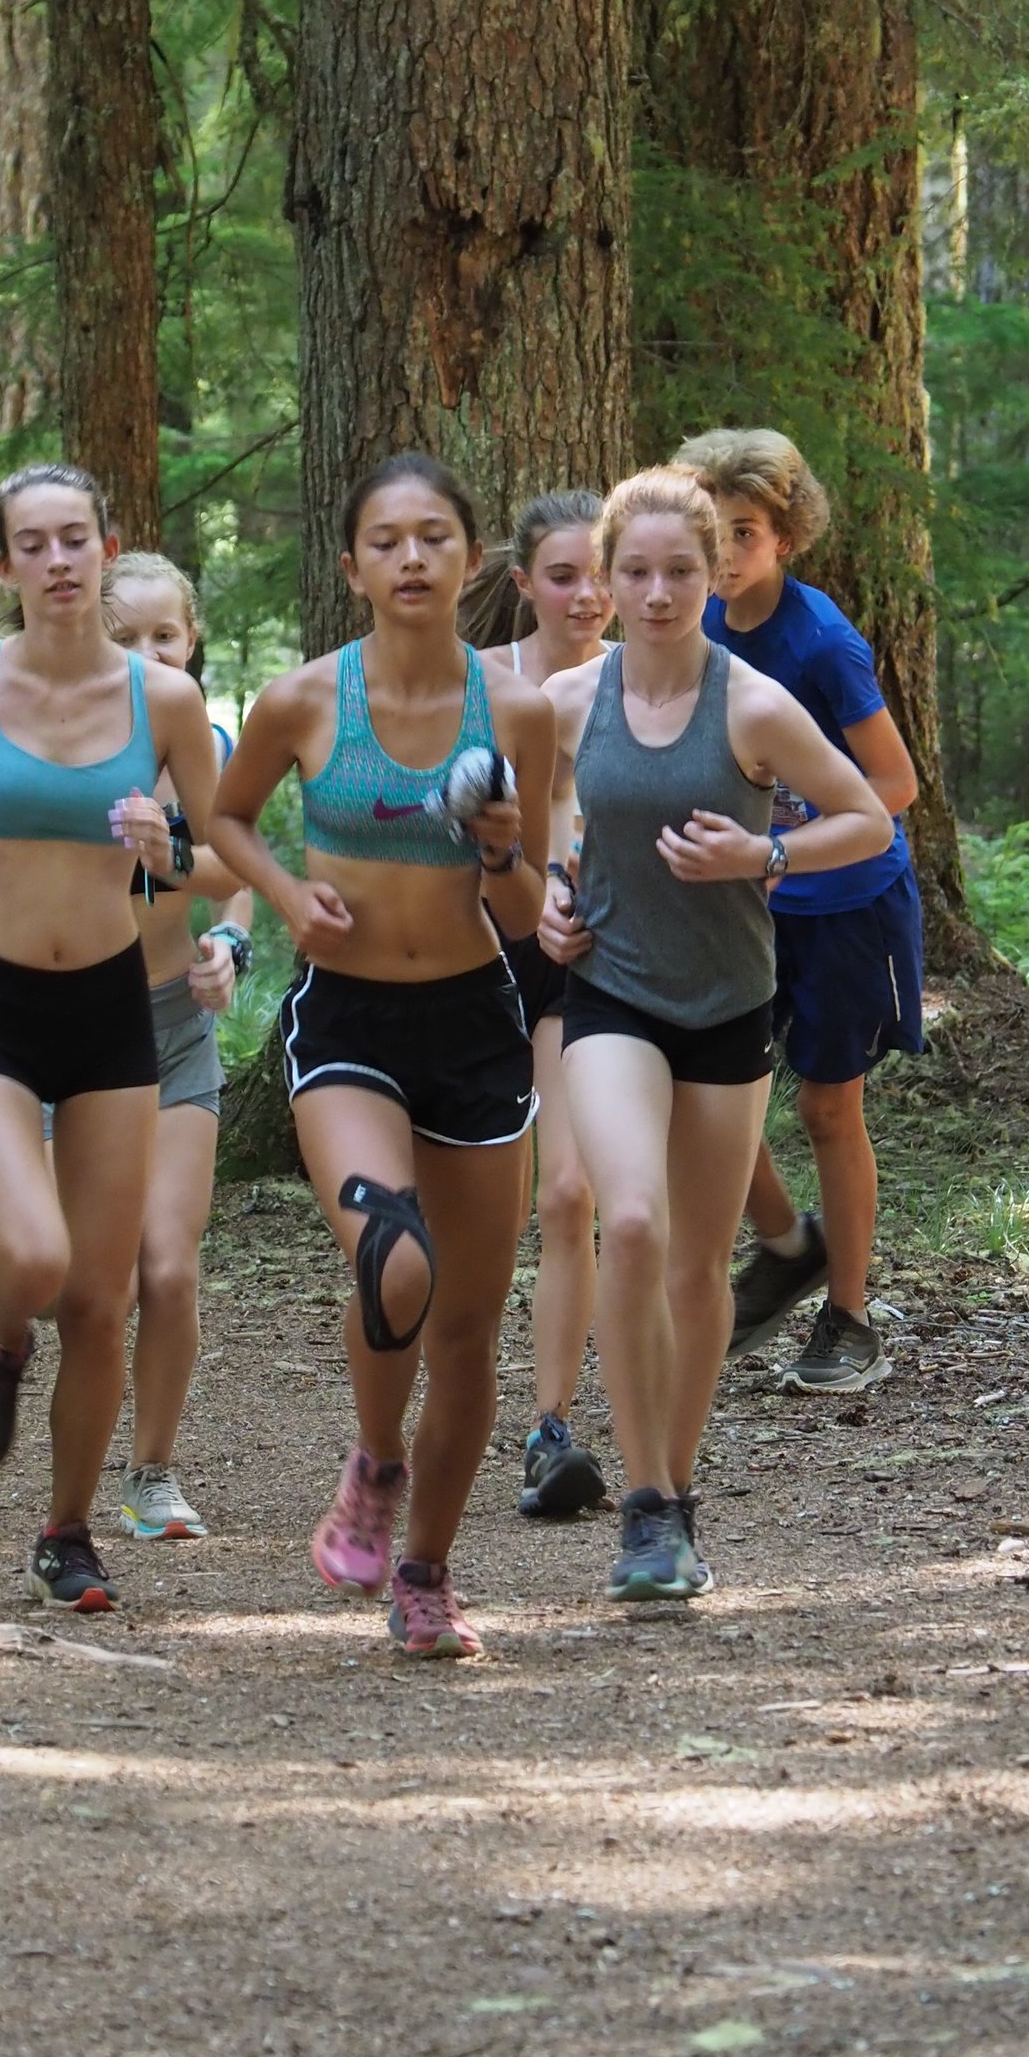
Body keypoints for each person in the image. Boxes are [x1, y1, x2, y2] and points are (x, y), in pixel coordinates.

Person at [211, 455, 555, 1661]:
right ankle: (375, 1462)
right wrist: (286, 895)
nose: (412, 559)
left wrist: (507, 850)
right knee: (392, 1258)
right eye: (386, 541)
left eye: (435, 539)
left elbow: (525, 919)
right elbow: (224, 814)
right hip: (345, 1022)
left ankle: (426, 1574)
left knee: (464, 1326)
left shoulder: (517, 713)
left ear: (473, 562)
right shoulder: (302, 702)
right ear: (351, 565)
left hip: (475, 1026)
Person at [0, 466, 219, 1613]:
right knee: (33, 1257)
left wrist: (169, 847)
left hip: (113, 1010)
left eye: (77, 540)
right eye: (35, 544)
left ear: (106, 551)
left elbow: (220, 852)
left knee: (101, 1300)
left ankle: (66, 1531)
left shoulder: (160, 703)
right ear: (3, 568)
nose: (60, 561)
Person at [540, 466, 893, 1600]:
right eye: (633, 572)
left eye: (678, 572)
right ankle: (642, 1502)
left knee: (696, 1267)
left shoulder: (751, 705)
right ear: (603, 579)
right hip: (609, 998)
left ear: (710, 575)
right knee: (627, 1220)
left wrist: (765, 855)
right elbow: (545, 810)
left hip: (729, 1007)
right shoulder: (565, 700)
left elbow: (868, 812)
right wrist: (552, 887)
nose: (654, 593)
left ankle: (676, 1496)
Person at [673, 428, 925, 1394]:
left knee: (827, 1106)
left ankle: (850, 1314)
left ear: (787, 539)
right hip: (742, 902)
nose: (727, 555)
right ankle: (787, 1244)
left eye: (746, 533)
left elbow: (894, 784)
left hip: (846, 902)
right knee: (706, 1097)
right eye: (714, 533)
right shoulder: (686, 630)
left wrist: (784, 850)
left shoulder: (821, 644)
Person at [99, 551, 256, 1542]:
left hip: (173, 1029)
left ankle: (151, 1473)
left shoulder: (212, 743)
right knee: (89, 1279)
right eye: (127, 639)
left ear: (191, 641)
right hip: (69, 1031)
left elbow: (237, 873)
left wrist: (229, 943)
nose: (151, 654)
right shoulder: (64, 745)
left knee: (168, 1267)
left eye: (166, 636)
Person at [478, 490, 610, 1520]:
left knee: (567, 1195)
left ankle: (550, 1428)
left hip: (583, 966)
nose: (589, 594)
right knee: (459, 1223)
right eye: (562, 575)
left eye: (601, 572)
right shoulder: (479, 683)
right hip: (469, 964)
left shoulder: (650, 681)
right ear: (523, 583)